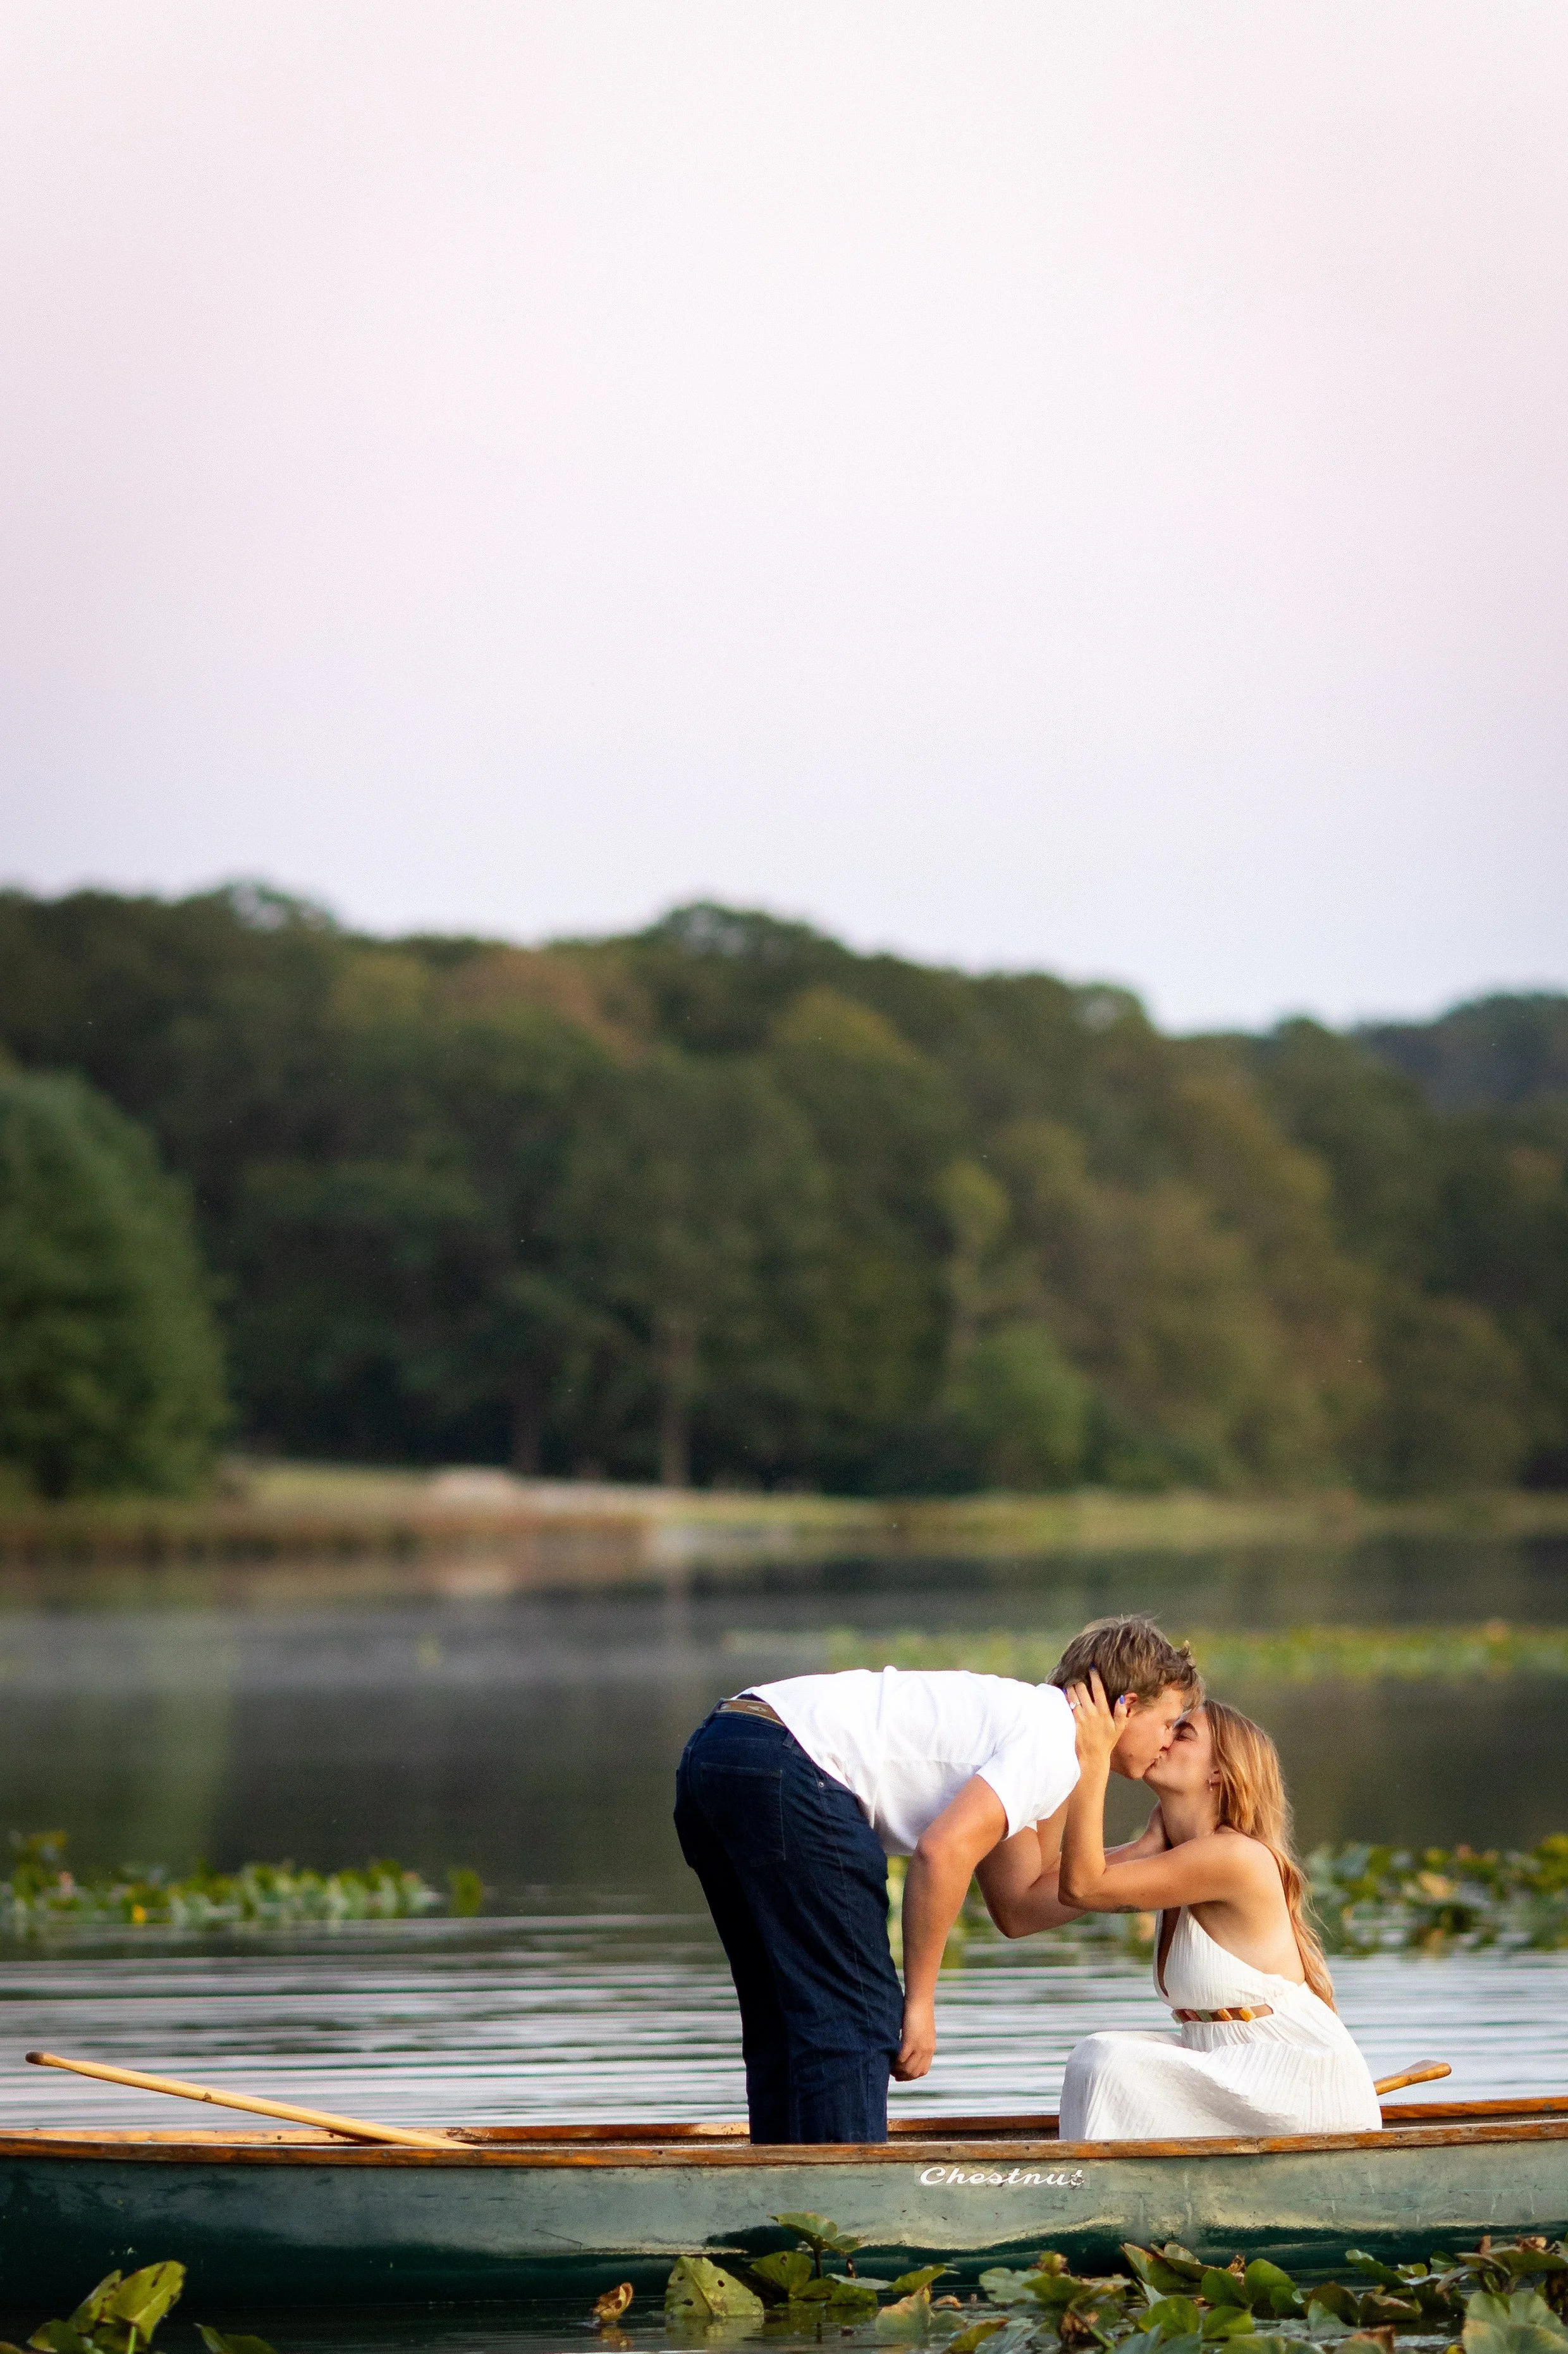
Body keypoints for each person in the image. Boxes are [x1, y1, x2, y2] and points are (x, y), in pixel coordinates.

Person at [673, 1615, 1201, 2144]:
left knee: (784, 2014)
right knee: (858, 2016)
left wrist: (1138, 1849)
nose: (1169, 1741)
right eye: (1169, 1721)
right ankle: (844, 2208)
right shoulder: (1049, 1740)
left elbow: (1020, 1902)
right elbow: (941, 1852)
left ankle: (779, 2197)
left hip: (721, 1752)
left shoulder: (1032, 1728)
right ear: (1125, 1706)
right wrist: (919, 2005)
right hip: (789, 1761)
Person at [1055, 1673, 1381, 2140]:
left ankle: (1093, 2194)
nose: (1163, 1738)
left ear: (1219, 1774)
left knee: (1103, 2059)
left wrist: (1093, 1760)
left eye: (1181, 1732)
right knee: (1099, 2056)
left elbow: (1084, 1888)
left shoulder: (1232, 1857)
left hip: (1293, 2076)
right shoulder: (1175, 1851)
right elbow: (1054, 1892)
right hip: (1226, 2061)